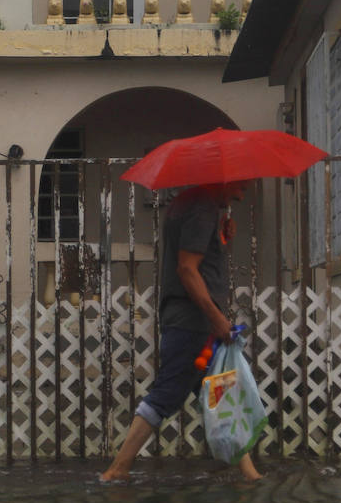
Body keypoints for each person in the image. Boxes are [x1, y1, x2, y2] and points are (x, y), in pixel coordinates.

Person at [100, 181, 262, 482]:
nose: (242, 193)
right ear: (222, 178)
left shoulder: (190, 205)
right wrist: (216, 319)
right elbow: (187, 269)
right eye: (240, 185)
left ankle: (250, 474)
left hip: (196, 325)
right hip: (193, 326)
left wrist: (220, 236)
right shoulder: (201, 210)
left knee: (217, 389)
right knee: (168, 392)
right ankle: (117, 470)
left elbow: (198, 261)